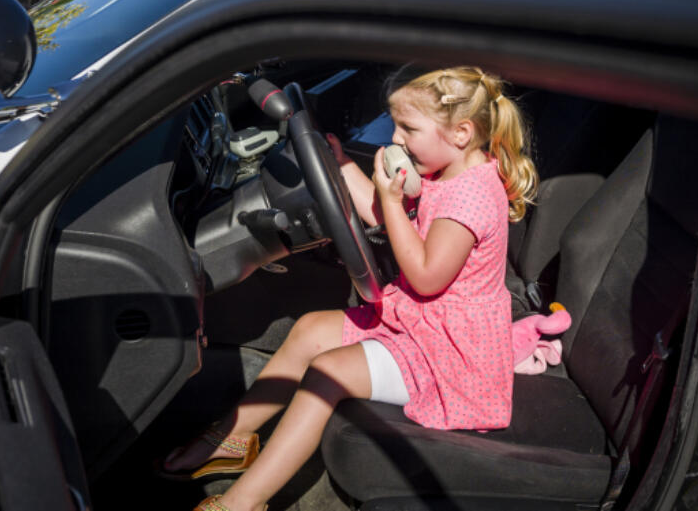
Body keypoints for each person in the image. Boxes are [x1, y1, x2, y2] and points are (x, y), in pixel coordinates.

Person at [163, 66, 539, 511]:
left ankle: (241, 504)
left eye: (408, 128)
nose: (396, 139)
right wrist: (339, 165)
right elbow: (386, 221)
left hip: (451, 355)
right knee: (308, 330)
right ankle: (232, 436)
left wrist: (395, 201)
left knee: (329, 372)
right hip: (423, 325)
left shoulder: (470, 198)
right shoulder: (446, 172)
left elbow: (424, 274)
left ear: (460, 133)